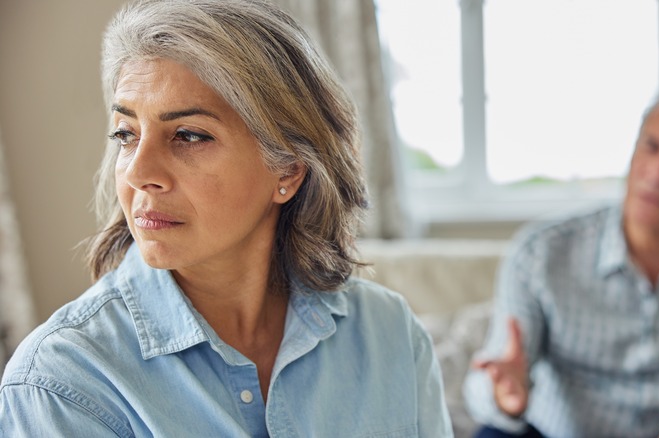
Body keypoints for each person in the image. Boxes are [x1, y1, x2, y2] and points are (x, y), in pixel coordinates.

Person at [0, 0, 452, 436]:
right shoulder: (62, 380)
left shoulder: (390, 334)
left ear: (289, 170)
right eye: (126, 134)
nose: (139, 172)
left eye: (189, 135)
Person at [463, 90, 659, 437]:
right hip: (562, 432)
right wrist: (504, 392)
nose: (658, 173)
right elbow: (495, 371)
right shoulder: (541, 252)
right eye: (652, 147)